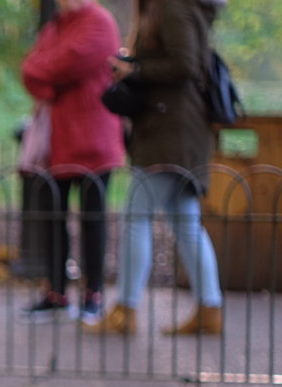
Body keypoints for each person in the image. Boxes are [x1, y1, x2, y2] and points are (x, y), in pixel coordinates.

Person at [86, 0, 225, 336]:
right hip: (175, 129)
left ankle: (126, 310)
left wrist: (136, 71)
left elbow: (186, 65)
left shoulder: (172, 6)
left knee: (136, 217)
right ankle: (209, 307)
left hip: (170, 133)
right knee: (185, 221)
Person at [19, 0, 124, 325]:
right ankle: (56, 293)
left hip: (94, 140)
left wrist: (48, 75)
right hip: (58, 141)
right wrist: (47, 74)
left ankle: (93, 294)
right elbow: (31, 70)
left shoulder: (98, 22)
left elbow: (66, 63)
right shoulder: (57, 25)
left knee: (93, 218)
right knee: (54, 217)